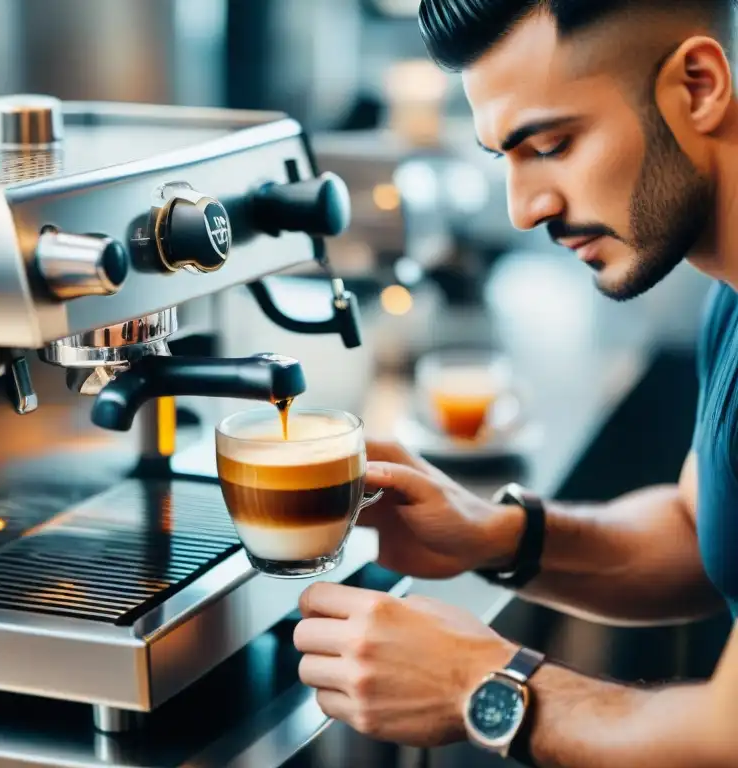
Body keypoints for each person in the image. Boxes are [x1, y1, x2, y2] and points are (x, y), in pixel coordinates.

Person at [292, 2, 738, 766]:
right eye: (506, 156)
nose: (525, 206)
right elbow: (704, 537)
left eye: (553, 145)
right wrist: (494, 534)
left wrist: (479, 683)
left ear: (698, 85)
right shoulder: (727, 294)